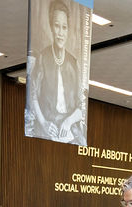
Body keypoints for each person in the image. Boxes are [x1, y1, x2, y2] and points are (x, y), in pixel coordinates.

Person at [27, 0, 85, 145]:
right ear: (51, 28)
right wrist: (43, 122)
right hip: (48, 125)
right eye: (57, 26)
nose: (60, 32)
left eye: (64, 27)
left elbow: (81, 106)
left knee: (82, 144)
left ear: (68, 30)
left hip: (70, 125)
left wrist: (67, 122)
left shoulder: (73, 63)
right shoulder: (43, 57)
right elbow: (33, 95)